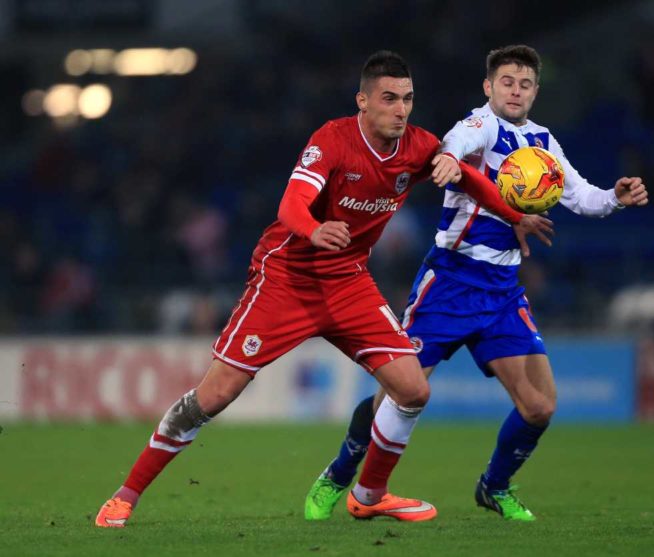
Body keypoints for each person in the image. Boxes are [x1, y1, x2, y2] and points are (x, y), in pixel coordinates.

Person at [94, 50, 547, 527]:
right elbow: (291, 205)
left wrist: (516, 215)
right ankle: (125, 494)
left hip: (348, 281)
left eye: (408, 99)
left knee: (413, 389)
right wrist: (314, 230)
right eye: (389, 99)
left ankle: (370, 495)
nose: (401, 109)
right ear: (363, 102)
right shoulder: (332, 141)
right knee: (216, 395)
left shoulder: (418, 146)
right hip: (287, 278)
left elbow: (471, 179)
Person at [305, 45, 649, 522]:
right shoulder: (478, 126)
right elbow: (454, 144)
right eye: (506, 81)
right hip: (449, 281)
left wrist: (614, 197)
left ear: (535, 92)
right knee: (397, 394)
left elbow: (581, 195)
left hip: (503, 289)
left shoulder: (544, 143)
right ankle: (340, 472)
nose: (516, 91)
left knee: (540, 406)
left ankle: (494, 486)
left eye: (525, 84)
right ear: (489, 87)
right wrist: (447, 160)